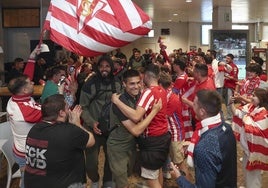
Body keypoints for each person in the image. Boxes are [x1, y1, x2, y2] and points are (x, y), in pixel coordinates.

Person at [111, 64, 171, 188]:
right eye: (132, 84)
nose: (137, 86)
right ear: (124, 84)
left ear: (144, 78)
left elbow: (137, 118)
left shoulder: (145, 93)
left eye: (138, 82)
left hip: (150, 141)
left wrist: (154, 111)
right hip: (121, 146)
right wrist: (117, 102)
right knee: (126, 179)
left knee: (151, 178)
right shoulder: (160, 90)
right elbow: (136, 128)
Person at [24, 94, 95, 188]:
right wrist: (77, 124)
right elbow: (91, 141)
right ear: (61, 113)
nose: (69, 110)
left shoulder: (34, 129)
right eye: (67, 107)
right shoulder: (70, 131)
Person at [170, 89, 237, 187]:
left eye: (195, 104)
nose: (192, 105)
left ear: (202, 112)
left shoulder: (204, 147)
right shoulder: (226, 128)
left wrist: (179, 177)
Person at [80, 55, 122, 188]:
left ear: (112, 67)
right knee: (91, 164)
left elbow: (121, 105)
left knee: (111, 160)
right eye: (101, 66)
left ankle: (108, 183)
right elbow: (83, 107)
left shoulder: (117, 83)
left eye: (107, 66)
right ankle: (95, 179)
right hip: (93, 129)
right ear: (98, 68)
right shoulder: (90, 84)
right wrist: (92, 123)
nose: (104, 69)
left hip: (112, 129)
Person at [6, 75, 42, 188]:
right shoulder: (25, 111)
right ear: (24, 90)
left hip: (20, 149)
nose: (32, 82)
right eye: (30, 82)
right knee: (29, 182)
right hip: (27, 154)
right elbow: (51, 112)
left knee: (27, 179)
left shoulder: (15, 98)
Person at [231, 88, 268, 188]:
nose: (251, 97)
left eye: (254, 96)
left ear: (261, 99)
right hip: (247, 149)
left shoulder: (264, 114)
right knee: (247, 173)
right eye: (252, 95)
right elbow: (238, 114)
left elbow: (256, 131)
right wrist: (231, 104)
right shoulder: (251, 107)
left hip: (254, 152)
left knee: (253, 178)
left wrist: (246, 118)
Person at [223, 53, 239, 121]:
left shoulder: (234, 67)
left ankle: (230, 116)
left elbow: (235, 78)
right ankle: (229, 115)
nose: (226, 59)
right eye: (226, 58)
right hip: (225, 86)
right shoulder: (225, 66)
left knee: (229, 101)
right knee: (227, 101)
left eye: (228, 58)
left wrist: (226, 76)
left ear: (232, 59)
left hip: (231, 86)